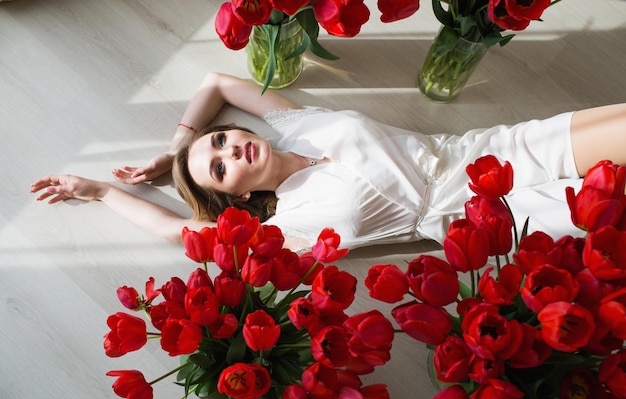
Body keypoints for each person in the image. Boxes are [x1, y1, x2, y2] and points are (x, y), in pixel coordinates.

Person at [30, 72, 626, 252]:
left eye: (221, 142)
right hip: (490, 215)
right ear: (234, 197)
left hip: (490, 149)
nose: (228, 150)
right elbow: (176, 229)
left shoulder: (297, 121)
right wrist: (102, 191)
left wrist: (176, 148)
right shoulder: (284, 228)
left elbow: (218, 84)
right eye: (217, 167)